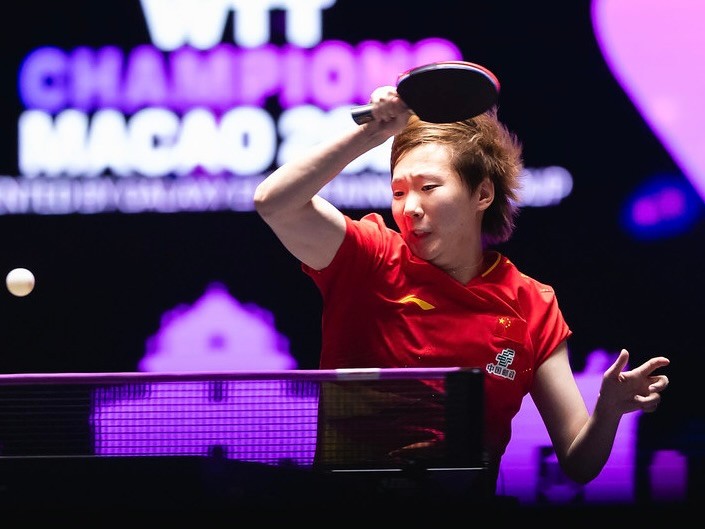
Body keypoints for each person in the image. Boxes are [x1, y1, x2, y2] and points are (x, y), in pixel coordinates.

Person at [253, 84, 670, 493]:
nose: (409, 208)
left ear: (482, 194)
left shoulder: (531, 304)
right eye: (398, 192)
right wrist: (372, 133)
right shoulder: (369, 257)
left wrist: (609, 411)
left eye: (428, 188)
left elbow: (579, 462)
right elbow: (274, 203)